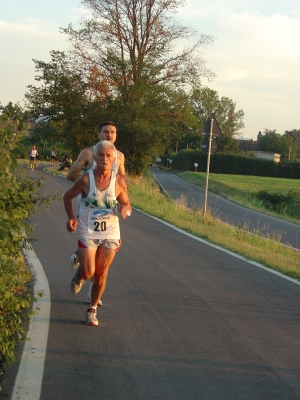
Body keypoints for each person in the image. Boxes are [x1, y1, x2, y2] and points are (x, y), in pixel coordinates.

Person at [63, 140, 132, 326]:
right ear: (95, 157)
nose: (104, 158)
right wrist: (71, 217)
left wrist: (125, 209)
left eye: (108, 156)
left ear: (114, 159)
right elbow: (67, 196)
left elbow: (127, 204)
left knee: (101, 273)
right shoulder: (86, 179)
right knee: (88, 272)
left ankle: (92, 310)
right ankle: (80, 275)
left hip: (110, 231)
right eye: (101, 155)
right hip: (88, 230)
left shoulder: (118, 181)